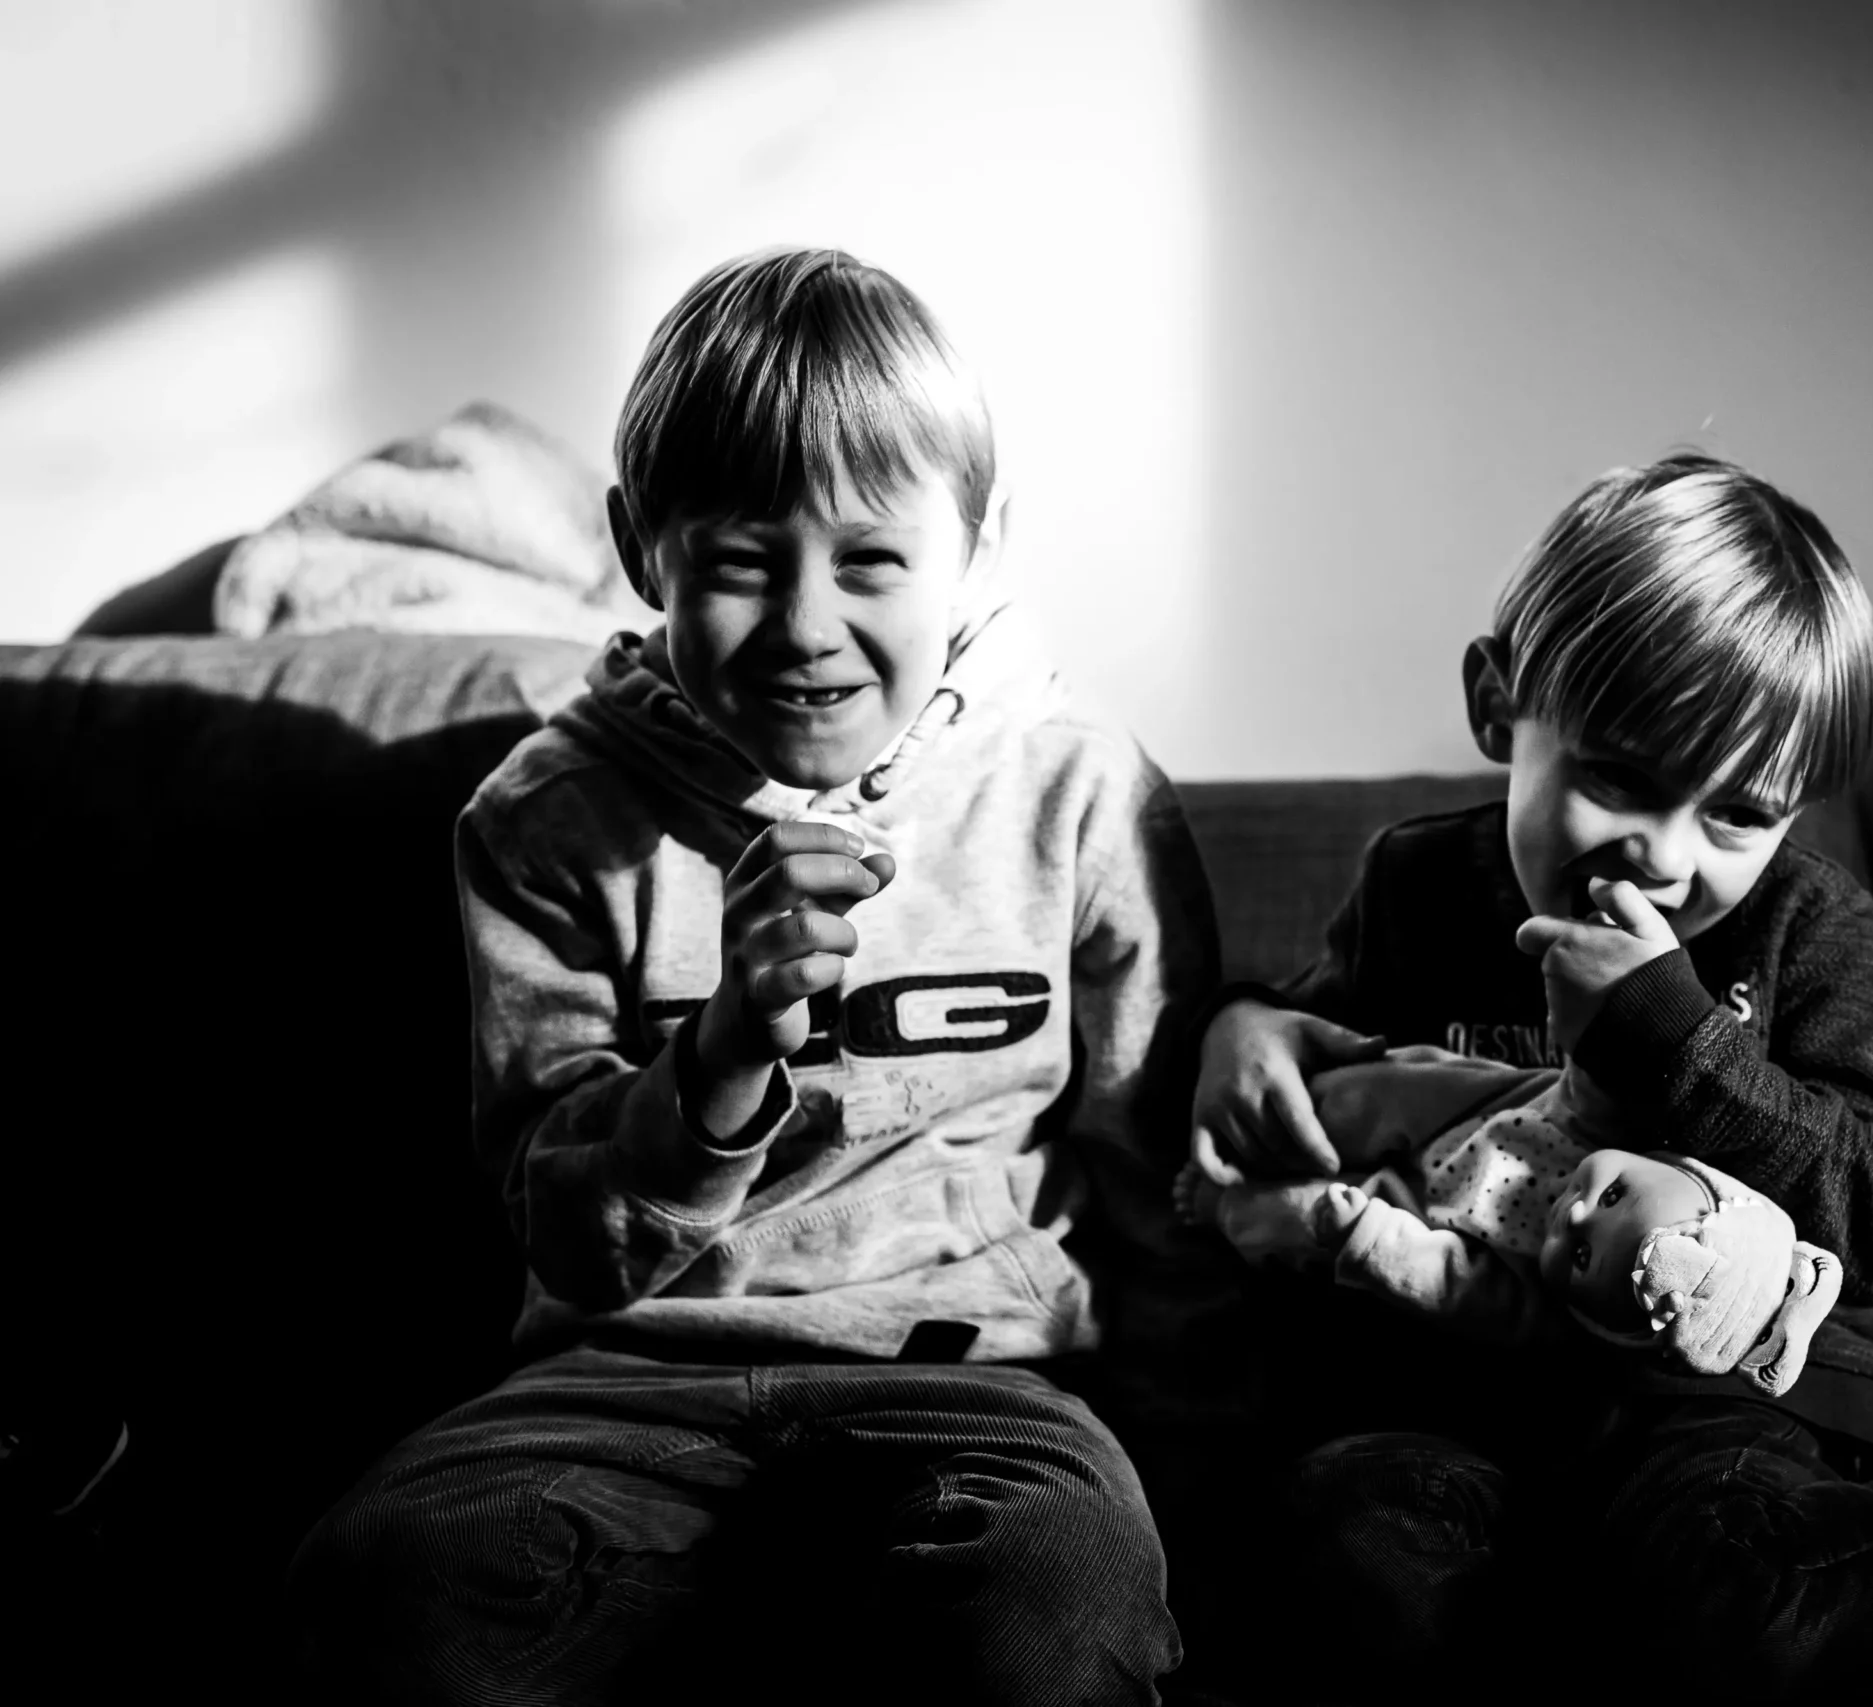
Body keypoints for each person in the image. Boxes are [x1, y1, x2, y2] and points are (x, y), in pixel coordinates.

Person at [288, 248, 1218, 1705]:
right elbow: (570, 1239)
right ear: (641, 544)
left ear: (977, 545)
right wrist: (721, 1052)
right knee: (383, 1576)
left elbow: (1155, 1177)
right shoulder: (544, 825)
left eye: (871, 559)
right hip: (617, 1381)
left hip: (980, 1379)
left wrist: (1186, 1469)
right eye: (737, 560)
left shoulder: (1077, 798)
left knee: (1055, 1593)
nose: (802, 623)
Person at [1190, 452, 1873, 1700]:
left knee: (1730, 1599)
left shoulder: (1810, 929)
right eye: (1621, 779)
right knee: (1343, 1565)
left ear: (1796, 813)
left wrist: (1669, 1033)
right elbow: (1321, 1049)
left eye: (1738, 816)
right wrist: (1245, 1030)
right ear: (1500, 707)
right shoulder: (1419, 888)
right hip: (1448, 1394)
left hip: (1716, 1402)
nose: (1663, 855)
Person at [1177, 1043, 1842, 1386]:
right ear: (1669, 1161)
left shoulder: (1533, 1308)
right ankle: (1273, 1122)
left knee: (1300, 1226)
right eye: (1613, 1195)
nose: (1574, 1212)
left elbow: (1449, 1284)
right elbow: (1599, 1057)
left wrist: (1372, 1235)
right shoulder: (1599, 1121)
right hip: (1454, 1112)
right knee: (1369, 1092)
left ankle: (1222, 1202)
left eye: (1580, 1256)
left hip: (1413, 1214)